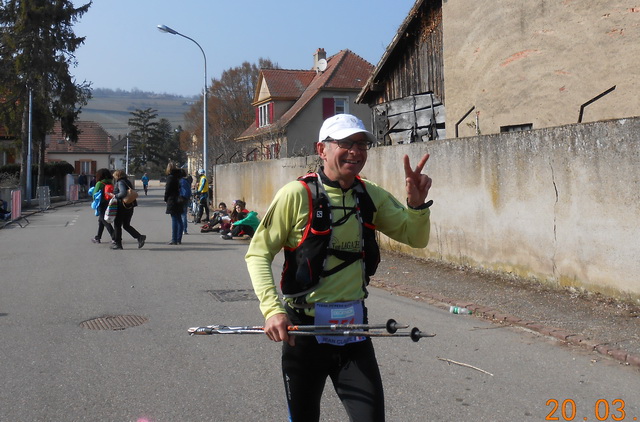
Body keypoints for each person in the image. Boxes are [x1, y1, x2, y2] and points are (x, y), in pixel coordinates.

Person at [245, 114, 432, 422]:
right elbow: (258, 253)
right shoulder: (296, 194)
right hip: (304, 333)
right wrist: (271, 310)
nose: (356, 152)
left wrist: (416, 206)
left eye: (361, 144)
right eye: (345, 143)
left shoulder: (369, 194)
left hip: (353, 332)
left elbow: (416, 238)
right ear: (322, 149)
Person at [111, 170, 146, 250]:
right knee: (126, 225)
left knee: (117, 225)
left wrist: (115, 195)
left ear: (118, 176)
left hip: (121, 207)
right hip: (130, 206)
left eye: (115, 176)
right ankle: (139, 237)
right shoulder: (127, 181)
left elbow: (123, 193)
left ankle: (118, 244)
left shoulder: (120, 182)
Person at [91, 168, 115, 244]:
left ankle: (115, 237)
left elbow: (94, 194)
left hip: (101, 203)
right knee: (101, 221)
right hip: (109, 203)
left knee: (104, 220)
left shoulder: (99, 183)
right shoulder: (110, 182)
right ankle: (98, 237)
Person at [164, 162, 184, 245]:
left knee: (174, 219)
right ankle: (179, 238)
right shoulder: (178, 176)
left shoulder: (170, 177)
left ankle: (174, 239)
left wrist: (165, 198)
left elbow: (167, 190)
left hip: (172, 199)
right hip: (179, 199)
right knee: (179, 219)